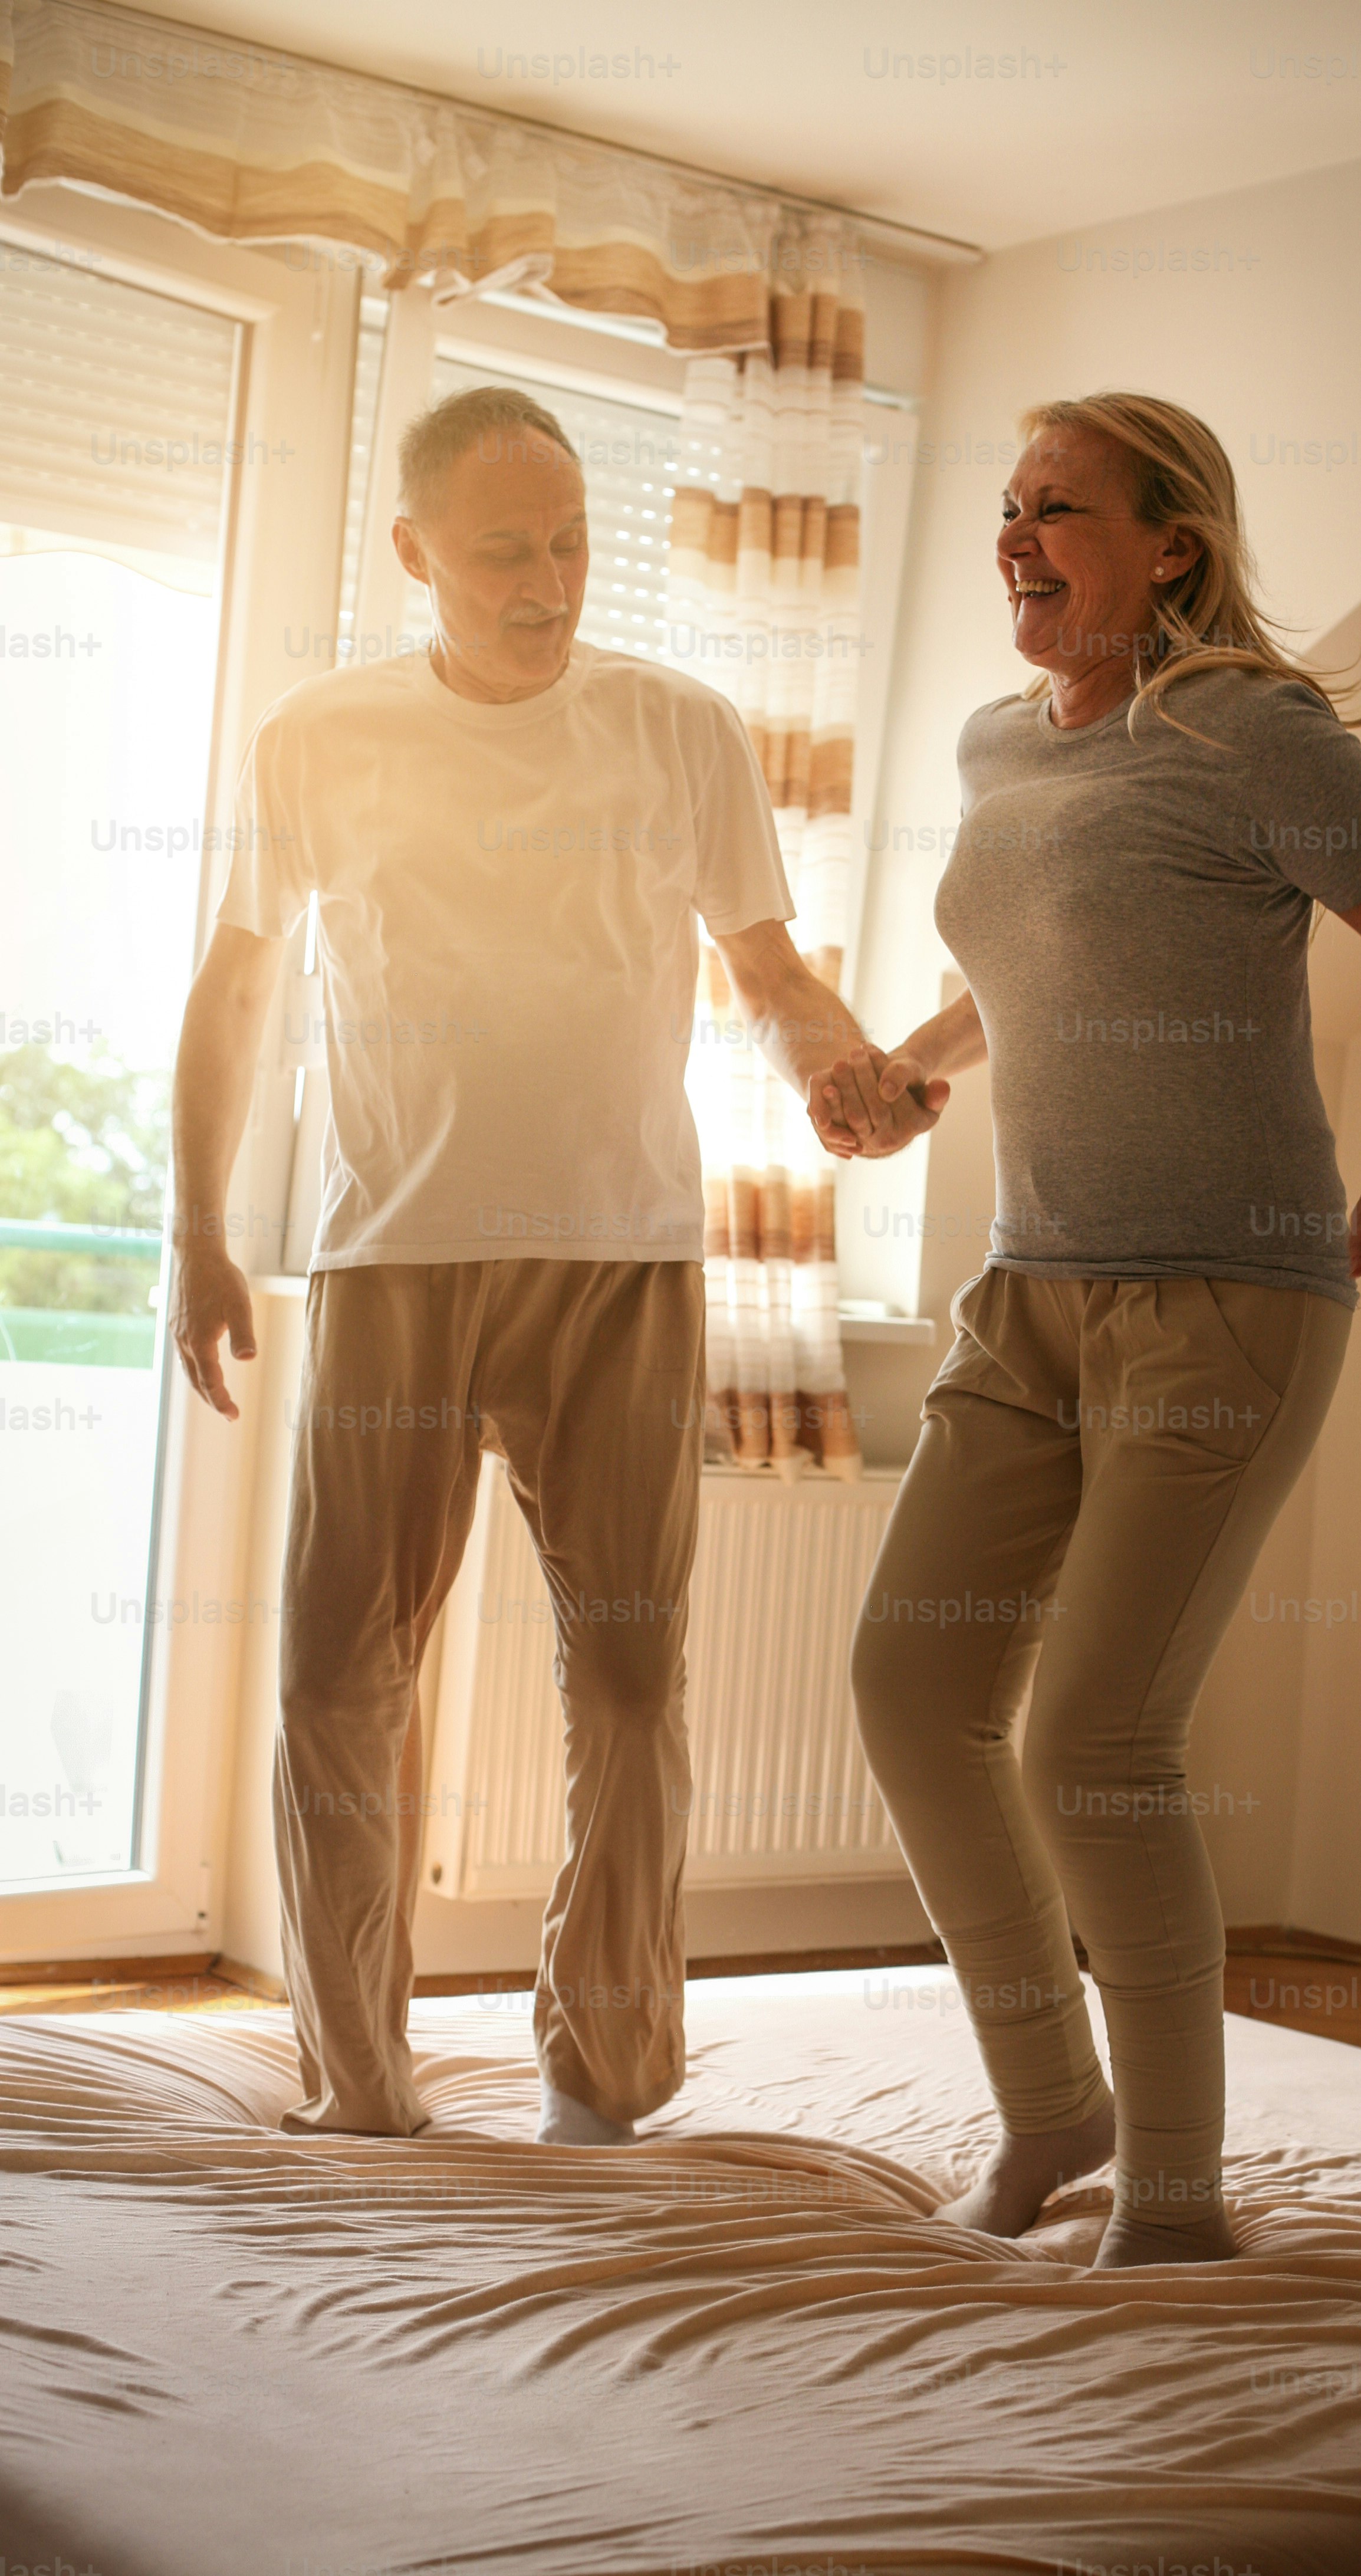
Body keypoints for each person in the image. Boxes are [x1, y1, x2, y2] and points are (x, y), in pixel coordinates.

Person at [819, 392, 1361, 2267]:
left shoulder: (1250, 730)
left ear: (1170, 542)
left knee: (1097, 1747)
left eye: (1058, 509)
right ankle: (1055, 2112)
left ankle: (1180, 2195)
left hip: (1228, 1299)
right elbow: (1036, 958)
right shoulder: (997, 743)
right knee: (909, 1690)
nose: (1016, 537)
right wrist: (915, 1070)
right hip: (1027, 1296)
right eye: (1009, 508)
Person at [170, 386, 875, 2145]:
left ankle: (607, 2068)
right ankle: (361, 2081)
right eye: (504, 552)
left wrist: (840, 1069)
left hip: (619, 1257)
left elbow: (771, 974)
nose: (547, 583)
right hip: (394, 1255)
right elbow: (238, 988)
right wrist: (199, 1228)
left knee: (630, 1684)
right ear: (416, 554)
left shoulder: (681, 728)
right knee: (339, 1679)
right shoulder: (320, 737)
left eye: (569, 543)